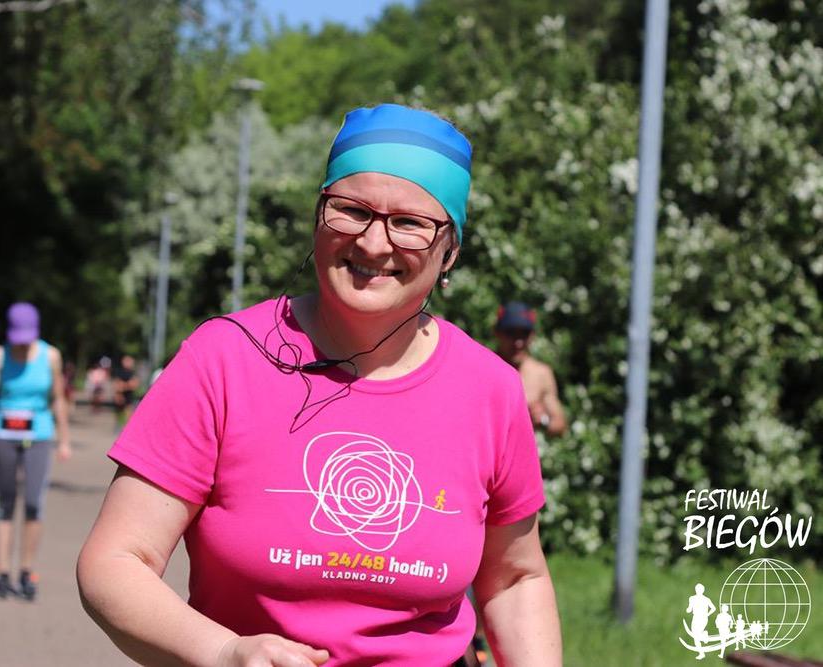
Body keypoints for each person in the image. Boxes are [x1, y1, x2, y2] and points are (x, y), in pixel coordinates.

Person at [78, 104, 562, 665]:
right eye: (352, 210)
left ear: (450, 251)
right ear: (318, 216)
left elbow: (516, 579)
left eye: (410, 223)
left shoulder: (491, 389)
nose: (374, 243)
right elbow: (116, 561)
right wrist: (225, 652)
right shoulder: (224, 359)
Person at [0, 302, 71, 601]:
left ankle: (26, 571)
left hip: (39, 436)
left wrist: (64, 439)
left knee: (32, 503)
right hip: (4, 435)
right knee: (5, 503)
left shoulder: (50, 356)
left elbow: (58, 398)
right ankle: (3, 573)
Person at [494, 301, 567, 437]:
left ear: (532, 335)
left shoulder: (541, 373)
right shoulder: (484, 369)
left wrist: (543, 420)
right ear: (497, 333)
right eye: (510, 333)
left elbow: (560, 424)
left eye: (524, 334)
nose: (518, 342)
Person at [111, 354, 140, 426]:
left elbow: (135, 385)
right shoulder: (119, 372)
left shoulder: (133, 373)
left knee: (129, 416)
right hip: (119, 396)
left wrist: (123, 386)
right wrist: (128, 385)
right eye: (127, 361)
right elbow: (116, 385)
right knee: (119, 416)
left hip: (129, 397)